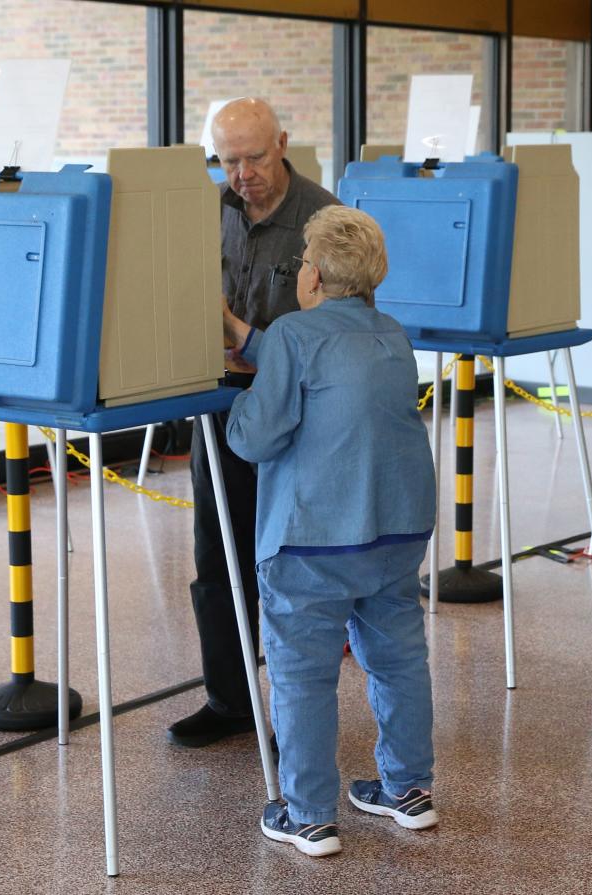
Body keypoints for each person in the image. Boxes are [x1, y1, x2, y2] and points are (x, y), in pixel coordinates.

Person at [221, 205, 438, 857]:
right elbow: (331, 361)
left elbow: (258, 437)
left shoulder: (293, 335)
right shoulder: (392, 334)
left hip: (313, 538)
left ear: (311, 276)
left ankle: (309, 812)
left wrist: (236, 406)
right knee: (398, 659)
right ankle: (408, 790)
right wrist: (244, 333)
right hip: (396, 529)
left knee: (302, 673)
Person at [168, 98, 339, 749]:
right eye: (229, 160)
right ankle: (230, 699)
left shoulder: (324, 219)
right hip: (223, 406)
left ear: (284, 144)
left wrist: (250, 336)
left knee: (295, 565)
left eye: (255, 158)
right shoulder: (208, 212)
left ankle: (302, 715)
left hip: (301, 412)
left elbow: (341, 331)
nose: (242, 174)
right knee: (218, 558)